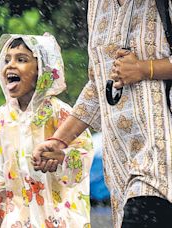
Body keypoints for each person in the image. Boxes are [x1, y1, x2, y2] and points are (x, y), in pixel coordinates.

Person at [32, 0, 172, 227]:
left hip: (162, 157)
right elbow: (98, 84)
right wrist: (59, 140)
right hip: (121, 166)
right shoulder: (97, 4)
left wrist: (145, 68)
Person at [0, 34, 94, 228]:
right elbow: (1, 164)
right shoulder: (5, 116)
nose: (10, 65)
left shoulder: (60, 112)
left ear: (42, 70)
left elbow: (84, 152)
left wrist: (62, 157)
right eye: (7, 60)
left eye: (21, 59)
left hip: (57, 215)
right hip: (18, 217)